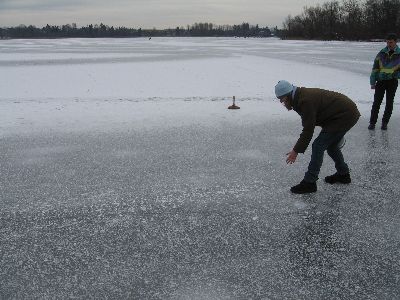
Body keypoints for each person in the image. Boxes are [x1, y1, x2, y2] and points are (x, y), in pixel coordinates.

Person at [274, 80, 360, 194]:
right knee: (332, 146)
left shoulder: (305, 101)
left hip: (345, 115)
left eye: (282, 99)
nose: (281, 102)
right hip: (339, 115)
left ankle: (310, 182)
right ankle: (343, 174)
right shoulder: (298, 97)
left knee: (318, 145)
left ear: (289, 95)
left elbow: (308, 130)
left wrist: (295, 151)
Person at [368, 33, 400, 130]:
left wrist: (395, 75)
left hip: (392, 82)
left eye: (391, 42)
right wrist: (372, 82)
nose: (389, 44)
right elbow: (375, 68)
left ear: (395, 42)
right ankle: (372, 123)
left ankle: (385, 122)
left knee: (389, 103)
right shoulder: (381, 53)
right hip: (381, 81)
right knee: (376, 102)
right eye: (387, 42)